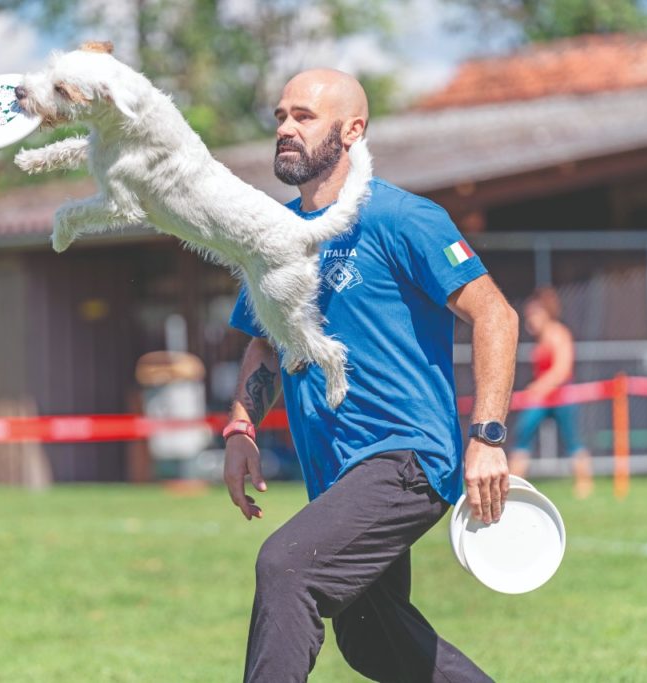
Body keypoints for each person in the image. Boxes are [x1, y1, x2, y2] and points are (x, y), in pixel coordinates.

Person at [222, 68, 518, 683]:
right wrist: (241, 429)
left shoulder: (403, 217)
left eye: (303, 116)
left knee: (287, 567)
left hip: (406, 458)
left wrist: (487, 438)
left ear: (351, 130)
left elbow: (495, 313)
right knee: (374, 638)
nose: (285, 129)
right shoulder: (272, 237)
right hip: (335, 471)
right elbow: (267, 345)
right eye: (280, 116)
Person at [508, 287, 594, 498]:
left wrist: (538, 387)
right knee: (522, 436)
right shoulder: (539, 339)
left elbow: (562, 370)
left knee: (573, 440)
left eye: (533, 315)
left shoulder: (559, 334)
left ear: (545, 313)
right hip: (541, 399)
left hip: (561, 397)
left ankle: (584, 486)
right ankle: (512, 485)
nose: (530, 321)